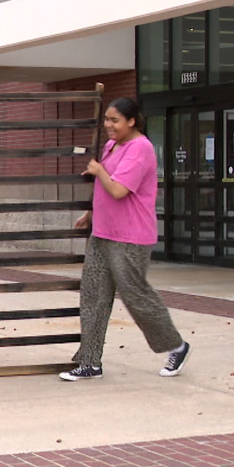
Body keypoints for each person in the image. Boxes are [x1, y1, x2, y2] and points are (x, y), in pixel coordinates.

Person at [60, 97, 191, 382]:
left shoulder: (140, 148)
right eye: (106, 119)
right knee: (93, 296)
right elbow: (104, 189)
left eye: (114, 120)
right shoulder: (112, 146)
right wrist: (91, 214)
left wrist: (99, 171)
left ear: (132, 121)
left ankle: (176, 346)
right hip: (103, 233)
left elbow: (118, 189)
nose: (108, 125)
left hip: (131, 237)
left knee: (136, 296)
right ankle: (90, 362)